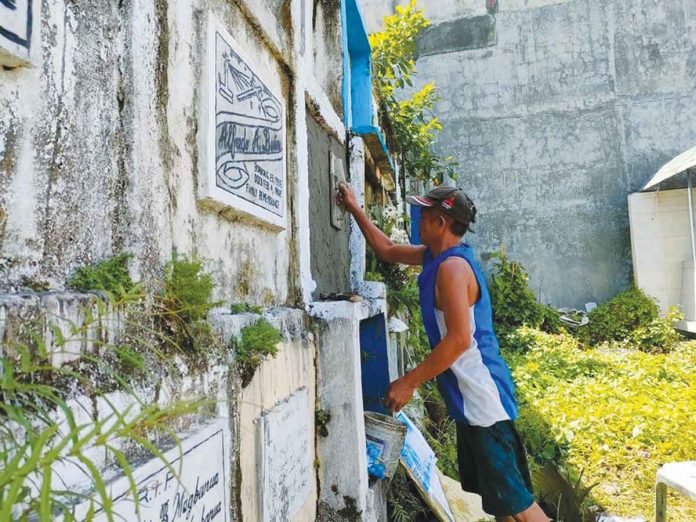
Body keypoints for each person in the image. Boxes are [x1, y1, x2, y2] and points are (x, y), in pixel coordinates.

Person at [337, 183, 550, 522]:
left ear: (441, 222)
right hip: (471, 402)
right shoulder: (433, 257)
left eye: (424, 214)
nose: (417, 218)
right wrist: (355, 209)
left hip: (482, 401)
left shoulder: (452, 269)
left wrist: (408, 382)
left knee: (520, 510)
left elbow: (459, 340)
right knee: (502, 507)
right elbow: (388, 249)